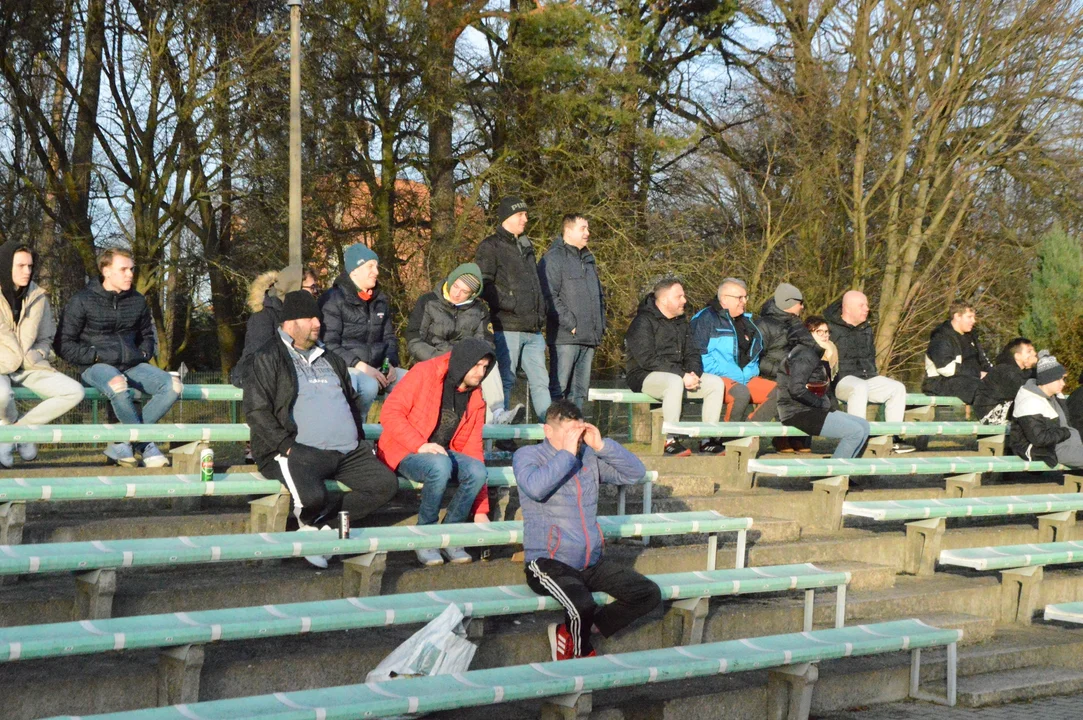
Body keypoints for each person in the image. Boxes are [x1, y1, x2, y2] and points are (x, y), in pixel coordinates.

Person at [244, 291, 398, 568]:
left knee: (385, 485)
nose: (317, 322)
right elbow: (256, 411)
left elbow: (350, 402)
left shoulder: (331, 358)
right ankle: (314, 526)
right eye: (310, 317)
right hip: (298, 450)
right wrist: (287, 446)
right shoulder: (267, 357)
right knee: (313, 497)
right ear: (290, 323)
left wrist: (358, 439)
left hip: (347, 451)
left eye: (318, 317)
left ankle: (322, 527)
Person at [514, 399, 661, 661]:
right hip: (547, 562)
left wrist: (602, 445)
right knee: (582, 604)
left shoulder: (589, 457)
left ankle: (573, 632)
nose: (577, 440)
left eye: (579, 432)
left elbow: (635, 473)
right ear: (548, 431)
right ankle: (579, 658)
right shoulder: (528, 456)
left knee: (647, 593)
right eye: (570, 433)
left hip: (589, 561)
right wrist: (567, 454)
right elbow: (535, 488)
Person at [55, 248, 179, 467]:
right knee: (117, 384)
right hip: (96, 366)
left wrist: (143, 353)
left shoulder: (137, 301)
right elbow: (63, 344)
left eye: (131, 269)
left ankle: (123, 442)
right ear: (106, 270)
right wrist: (93, 356)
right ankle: (145, 445)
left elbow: (147, 336)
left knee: (173, 386)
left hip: (132, 363)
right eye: (123, 269)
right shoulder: (81, 301)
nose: (130, 274)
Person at [377, 338, 494, 567]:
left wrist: (481, 509)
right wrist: (420, 445)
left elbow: (473, 450)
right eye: (477, 365)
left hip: (441, 454)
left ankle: (452, 534)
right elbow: (390, 413)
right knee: (440, 465)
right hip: (403, 450)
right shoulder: (424, 372)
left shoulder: (476, 396)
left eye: (485, 367)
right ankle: (425, 537)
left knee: (477, 471)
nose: (481, 372)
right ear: (463, 361)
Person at [0, 240, 85, 467]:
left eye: (30, 266)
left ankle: (17, 434)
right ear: (5, 265)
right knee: (2, 394)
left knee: (74, 392)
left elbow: (46, 338)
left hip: (29, 364)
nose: (27, 271)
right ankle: (9, 432)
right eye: (21, 266)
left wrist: (37, 354)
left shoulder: (39, 296)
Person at [624, 278, 725, 456]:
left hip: (678, 377)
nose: (684, 300)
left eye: (684, 296)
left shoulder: (681, 323)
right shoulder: (642, 322)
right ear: (663, 300)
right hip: (644, 375)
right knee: (673, 382)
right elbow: (647, 359)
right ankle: (670, 440)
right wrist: (681, 375)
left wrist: (693, 373)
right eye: (679, 296)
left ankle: (707, 440)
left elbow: (693, 353)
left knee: (715, 383)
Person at [405, 262, 515, 424]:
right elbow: (413, 338)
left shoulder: (480, 311)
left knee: (489, 364)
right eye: (455, 286)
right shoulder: (428, 301)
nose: (457, 293)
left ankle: (498, 412)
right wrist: (437, 357)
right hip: (432, 361)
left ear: (472, 294)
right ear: (450, 280)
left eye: (464, 291)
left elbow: (486, 344)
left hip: (465, 364)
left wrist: (469, 360)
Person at [475, 196, 550, 420]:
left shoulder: (526, 245)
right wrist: (510, 304)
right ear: (507, 217)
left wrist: (541, 310)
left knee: (541, 382)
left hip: (533, 329)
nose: (525, 219)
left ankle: (551, 433)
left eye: (526, 214)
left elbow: (535, 283)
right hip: (507, 326)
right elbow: (484, 284)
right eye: (520, 215)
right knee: (505, 379)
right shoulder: (490, 246)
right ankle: (501, 436)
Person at [319, 243, 406, 421]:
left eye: (376, 266)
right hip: (348, 367)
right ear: (354, 271)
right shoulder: (332, 300)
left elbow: (389, 337)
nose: (376, 271)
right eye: (370, 266)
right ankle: (359, 437)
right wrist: (360, 365)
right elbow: (328, 344)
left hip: (377, 367)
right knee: (368, 387)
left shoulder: (380, 299)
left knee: (413, 382)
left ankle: (392, 434)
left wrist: (390, 363)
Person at [823, 290, 914, 453]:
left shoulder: (866, 328)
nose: (867, 309)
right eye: (862, 305)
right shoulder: (829, 329)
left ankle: (891, 439)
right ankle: (858, 438)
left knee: (897, 388)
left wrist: (872, 373)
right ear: (847, 308)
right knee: (859, 387)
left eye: (867, 305)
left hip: (866, 378)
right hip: (840, 381)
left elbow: (870, 356)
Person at [690, 278, 778, 429]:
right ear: (724, 299)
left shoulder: (748, 322)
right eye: (739, 298)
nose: (744, 301)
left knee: (782, 393)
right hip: (717, 378)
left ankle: (749, 430)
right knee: (741, 393)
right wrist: (731, 376)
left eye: (745, 297)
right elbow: (698, 354)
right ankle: (726, 438)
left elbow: (753, 356)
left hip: (747, 379)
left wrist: (751, 373)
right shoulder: (705, 319)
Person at [776, 316, 870, 458]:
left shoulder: (814, 353)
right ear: (809, 333)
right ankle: (833, 475)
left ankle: (847, 473)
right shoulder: (804, 354)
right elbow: (796, 389)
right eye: (819, 332)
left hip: (812, 409)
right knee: (855, 432)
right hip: (797, 412)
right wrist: (820, 403)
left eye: (827, 332)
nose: (825, 335)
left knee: (864, 426)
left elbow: (822, 386)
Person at [539, 213, 606, 410]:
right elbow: (549, 295)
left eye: (588, 228)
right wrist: (571, 324)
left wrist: (600, 326)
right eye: (583, 228)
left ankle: (575, 436)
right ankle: (555, 436)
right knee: (559, 391)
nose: (588, 232)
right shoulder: (553, 259)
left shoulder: (589, 260)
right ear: (568, 230)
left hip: (589, 338)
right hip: (565, 338)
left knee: (579, 393)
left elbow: (599, 298)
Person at [231, 267, 320, 389]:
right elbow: (257, 359)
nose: (316, 293)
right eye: (312, 288)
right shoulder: (264, 317)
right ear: (294, 288)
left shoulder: (312, 318)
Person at [1010, 351, 1083, 469]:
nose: (1063, 384)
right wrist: (1066, 432)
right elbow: (1039, 439)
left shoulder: (1055, 397)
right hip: (1049, 449)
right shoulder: (1030, 401)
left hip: (1068, 444)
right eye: (1059, 379)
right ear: (1047, 380)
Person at [922, 301, 993, 406]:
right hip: (941, 383)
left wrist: (994, 374)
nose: (974, 321)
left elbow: (983, 361)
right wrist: (978, 373)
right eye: (969, 317)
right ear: (957, 317)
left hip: (969, 380)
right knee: (982, 389)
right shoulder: (941, 337)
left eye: (974, 317)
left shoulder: (971, 335)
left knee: (1001, 385)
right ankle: (993, 419)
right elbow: (946, 369)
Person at [972, 337, 1037, 425]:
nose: (1034, 354)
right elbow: (1025, 391)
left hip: (1000, 410)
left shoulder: (1014, 370)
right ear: (1017, 356)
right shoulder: (1006, 371)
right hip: (990, 414)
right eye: (1029, 351)